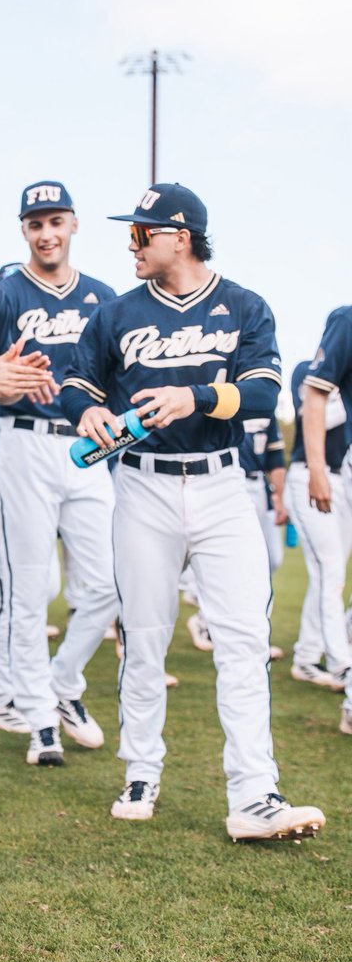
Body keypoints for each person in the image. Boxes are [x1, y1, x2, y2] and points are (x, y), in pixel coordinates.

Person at [61, 182, 325, 841]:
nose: (132, 244)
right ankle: (141, 768)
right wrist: (87, 411)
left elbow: (264, 393)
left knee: (240, 639)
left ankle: (254, 793)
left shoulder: (242, 305)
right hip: (143, 487)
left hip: (221, 486)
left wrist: (198, 397)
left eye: (141, 234)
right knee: (144, 635)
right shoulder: (117, 313)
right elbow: (75, 382)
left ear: (180, 236)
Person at [0, 181, 117, 766]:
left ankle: (62, 683)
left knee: (107, 587)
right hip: (23, 444)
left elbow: (117, 377)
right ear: (23, 230)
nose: (46, 234)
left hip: (88, 449)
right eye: (35, 224)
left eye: (55, 222)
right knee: (28, 588)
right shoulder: (5, 290)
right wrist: (4, 373)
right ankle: (40, 720)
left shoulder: (102, 296)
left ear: (73, 225)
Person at [186, 415, 287, 661]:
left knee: (271, 559)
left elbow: (274, 457)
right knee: (224, 564)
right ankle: (212, 624)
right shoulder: (220, 397)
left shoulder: (263, 406)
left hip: (258, 485)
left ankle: (248, 633)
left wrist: (280, 497)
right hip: (223, 481)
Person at [299, 309, 352, 732]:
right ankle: (344, 673)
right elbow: (314, 399)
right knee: (330, 572)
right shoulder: (346, 320)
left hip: (337, 472)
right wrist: (317, 469)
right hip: (329, 472)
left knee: (330, 576)